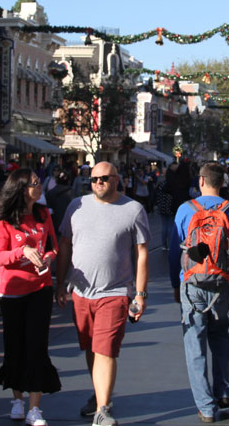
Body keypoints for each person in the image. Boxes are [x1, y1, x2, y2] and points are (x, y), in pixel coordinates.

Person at [56, 161, 150, 426]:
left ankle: (103, 409)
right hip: (82, 292)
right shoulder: (77, 206)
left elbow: (141, 253)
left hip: (116, 291)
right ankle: (99, 394)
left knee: (105, 349)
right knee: (90, 347)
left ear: (116, 179)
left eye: (104, 178)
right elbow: (65, 245)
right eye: (94, 178)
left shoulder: (133, 209)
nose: (98, 182)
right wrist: (60, 284)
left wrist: (140, 293)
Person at [168, 162, 229, 423]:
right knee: (220, 334)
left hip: (191, 285)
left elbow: (173, 252)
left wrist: (174, 283)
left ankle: (206, 405)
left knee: (195, 344)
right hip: (222, 284)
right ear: (222, 182)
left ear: (201, 181)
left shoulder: (185, 209)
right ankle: (223, 389)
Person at [0, 168, 60, 426]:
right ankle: (17, 400)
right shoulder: (4, 220)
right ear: (21, 189)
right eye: (33, 183)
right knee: (14, 347)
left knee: (37, 346)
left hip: (40, 288)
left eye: (38, 182)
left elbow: (53, 245)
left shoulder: (43, 214)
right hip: (12, 291)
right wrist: (21, 251)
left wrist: (48, 259)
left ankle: (35, 408)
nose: (39, 186)